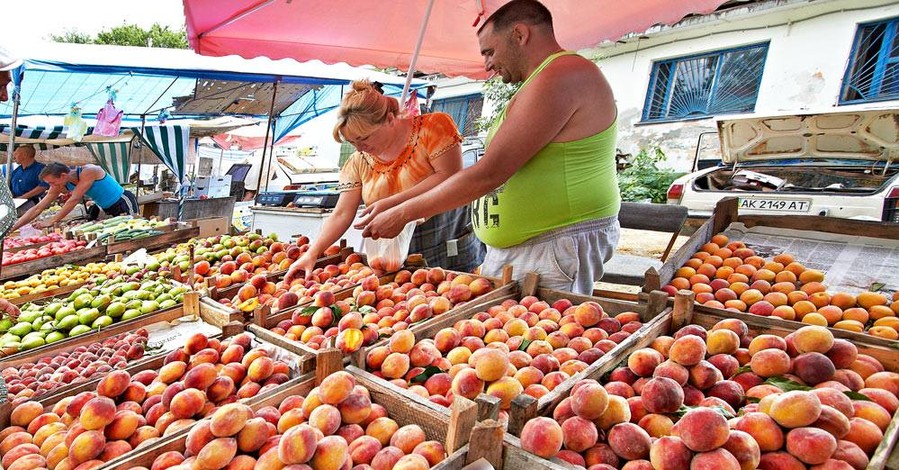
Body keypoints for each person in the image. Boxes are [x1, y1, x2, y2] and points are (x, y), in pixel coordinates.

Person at [357, 0, 620, 295]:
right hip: (532, 247)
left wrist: (403, 213)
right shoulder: (540, 81)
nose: (487, 65)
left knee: (537, 336)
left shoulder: (562, 76)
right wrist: (394, 204)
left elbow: (488, 174)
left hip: (553, 244)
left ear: (520, 34)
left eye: (489, 52)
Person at [285, 80, 483, 282]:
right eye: (352, 142)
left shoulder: (433, 128)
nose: (359, 148)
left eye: (364, 138)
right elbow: (342, 213)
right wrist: (312, 252)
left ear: (389, 119)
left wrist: (391, 204)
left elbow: (449, 177)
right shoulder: (359, 160)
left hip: (446, 237)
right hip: (395, 252)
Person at [12, 163, 138, 231]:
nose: (51, 186)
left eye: (52, 182)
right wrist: (12, 228)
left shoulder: (89, 171)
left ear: (62, 175)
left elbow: (74, 199)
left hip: (122, 201)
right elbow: (38, 208)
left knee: (134, 228)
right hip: (106, 207)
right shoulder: (59, 183)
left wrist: (52, 220)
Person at [9, 145, 48, 212]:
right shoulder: (16, 171)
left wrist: (22, 198)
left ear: (24, 155)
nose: (14, 157)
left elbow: (43, 186)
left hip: (32, 203)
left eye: (16, 154)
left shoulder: (41, 168)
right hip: (15, 203)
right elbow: (10, 187)